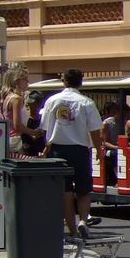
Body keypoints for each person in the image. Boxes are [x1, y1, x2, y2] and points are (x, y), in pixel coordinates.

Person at [41, 68, 103, 239]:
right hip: (80, 149)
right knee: (84, 189)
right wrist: (99, 150)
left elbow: (45, 128)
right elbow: (95, 131)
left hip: (58, 149)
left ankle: (73, 230)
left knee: (65, 191)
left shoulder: (52, 101)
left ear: (64, 81)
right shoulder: (86, 102)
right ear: (81, 82)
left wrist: (47, 148)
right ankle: (83, 220)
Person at [0, 65, 44, 155]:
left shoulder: (6, 98)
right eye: (25, 79)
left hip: (8, 140)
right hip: (18, 142)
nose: (27, 81)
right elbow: (18, 125)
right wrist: (35, 133)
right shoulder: (17, 99)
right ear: (16, 81)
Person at [23, 90, 46, 156]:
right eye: (30, 104)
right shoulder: (25, 118)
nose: (31, 106)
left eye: (34, 104)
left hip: (40, 153)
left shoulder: (43, 119)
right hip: (26, 154)